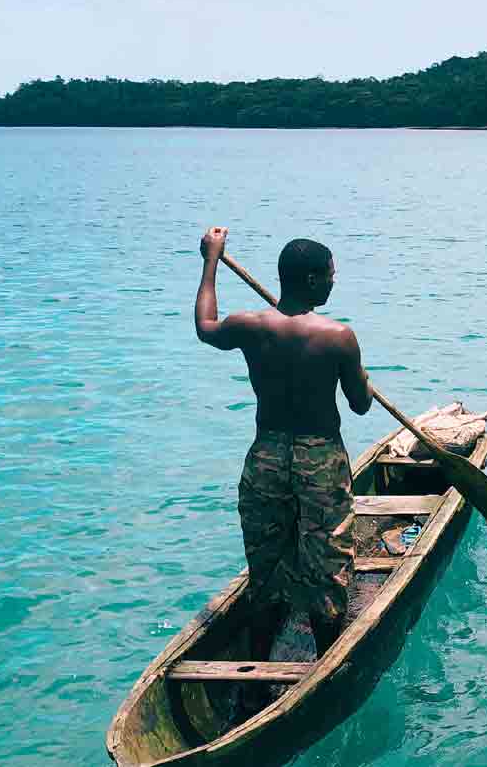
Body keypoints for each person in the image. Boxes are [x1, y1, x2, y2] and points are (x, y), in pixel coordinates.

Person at [193, 226, 373, 661]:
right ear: (311, 280)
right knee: (328, 566)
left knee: (267, 567)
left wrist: (211, 260)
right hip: (320, 460)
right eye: (330, 274)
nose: (334, 280)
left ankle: (256, 670)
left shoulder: (249, 326)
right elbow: (361, 406)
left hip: (267, 458)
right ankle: (329, 666)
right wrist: (363, 379)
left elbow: (204, 326)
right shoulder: (338, 337)